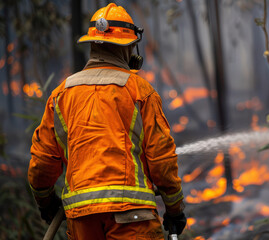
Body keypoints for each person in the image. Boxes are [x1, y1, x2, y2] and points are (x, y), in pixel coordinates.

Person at [27, 3, 186, 239]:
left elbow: (41, 164)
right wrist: (174, 210)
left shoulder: (61, 94)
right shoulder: (140, 92)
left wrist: (46, 202)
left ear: (92, 44)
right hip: (132, 220)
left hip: (82, 221)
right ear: (128, 47)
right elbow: (161, 158)